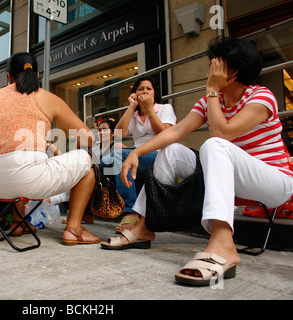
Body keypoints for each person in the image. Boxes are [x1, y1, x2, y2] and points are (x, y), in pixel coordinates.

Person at [101, 37, 293, 286]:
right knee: (170, 150)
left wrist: (212, 90)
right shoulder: (211, 102)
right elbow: (174, 132)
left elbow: (223, 133)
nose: (207, 73)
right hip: (233, 182)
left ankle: (224, 243)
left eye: (213, 67)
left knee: (214, 144)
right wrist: (136, 153)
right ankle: (144, 227)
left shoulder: (261, 97)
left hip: (273, 183)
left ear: (232, 72)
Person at [0, 52, 100, 245]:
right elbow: (88, 136)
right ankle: (74, 230)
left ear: (9, 77)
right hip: (23, 178)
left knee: (25, 160)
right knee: (87, 165)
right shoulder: (47, 97)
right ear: (37, 75)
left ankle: (19, 222)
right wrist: (78, 151)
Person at [111, 76, 176, 233]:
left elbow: (164, 135)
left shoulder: (165, 109)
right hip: (138, 156)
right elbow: (118, 134)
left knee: (119, 155)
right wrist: (131, 107)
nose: (145, 91)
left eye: (149, 88)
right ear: (135, 94)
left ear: (154, 93)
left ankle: (130, 211)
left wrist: (150, 110)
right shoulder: (133, 114)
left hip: (159, 154)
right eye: (141, 89)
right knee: (109, 157)